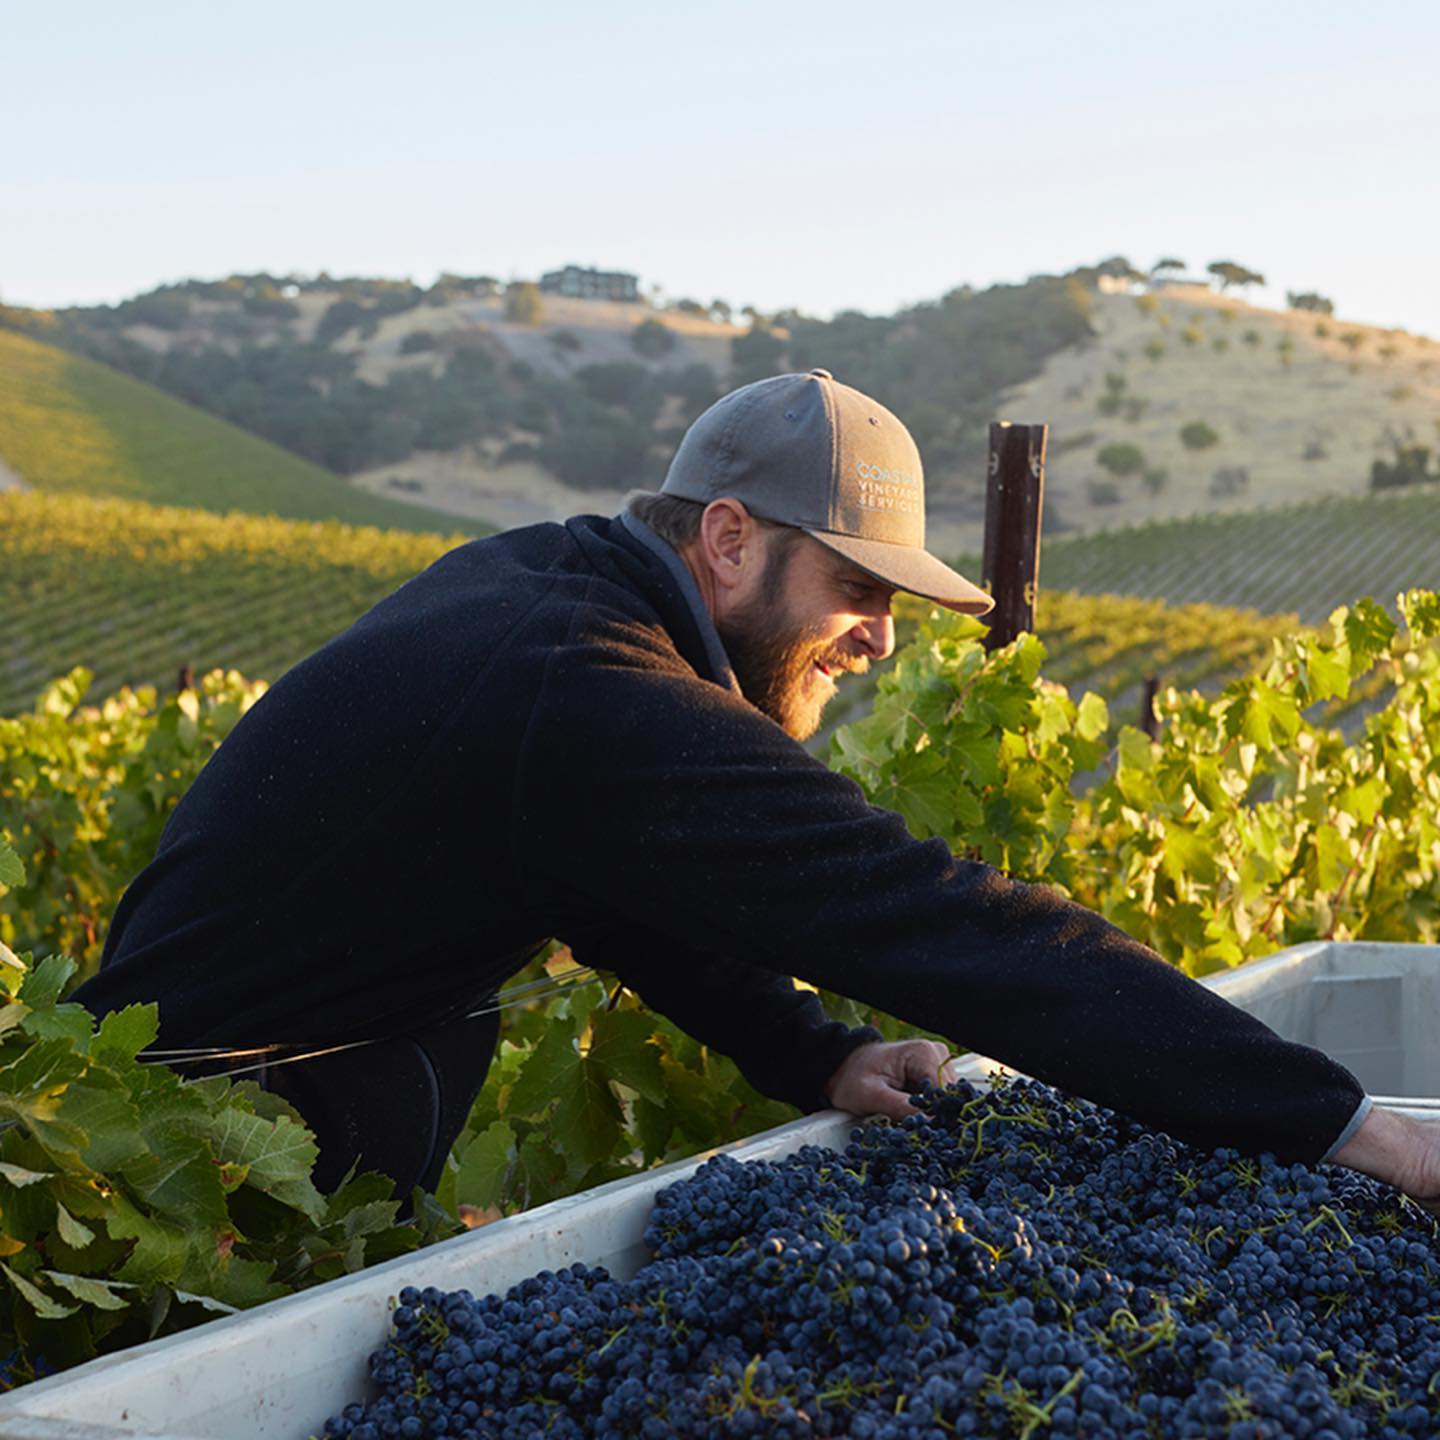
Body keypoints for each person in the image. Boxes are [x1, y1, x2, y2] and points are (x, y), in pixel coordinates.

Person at [74, 369, 1439, 1210]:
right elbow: (940, 919)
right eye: (857, 587)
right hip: (171, 1183)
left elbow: (606, 885)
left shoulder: (549, 593)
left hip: (205, 1145)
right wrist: (1357, 1127)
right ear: (729, 539)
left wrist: (810, 1052)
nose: (882, 636)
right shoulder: (588, 681)